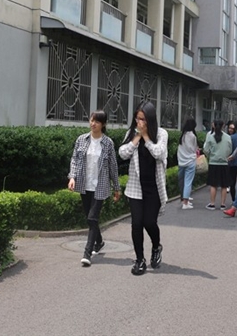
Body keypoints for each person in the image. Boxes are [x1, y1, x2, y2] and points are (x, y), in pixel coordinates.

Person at [119, 101, 168, 276]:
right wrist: (136, 138)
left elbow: (159, 153)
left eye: (143, 119)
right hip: (135, 188)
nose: (139, 122)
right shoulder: (132, 133)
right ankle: (140, 260)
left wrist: (146, 137)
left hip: (153, 188)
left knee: (149, 222)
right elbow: (122, 153)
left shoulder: (161, 134)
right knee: (136, 224)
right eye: (137, 118)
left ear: (150, 119)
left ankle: (156, 247)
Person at [68, 110, 121, 267]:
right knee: (90, 218)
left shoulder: (108, 143)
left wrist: (116, 187)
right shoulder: (81, 140)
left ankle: (87, 253)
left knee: (92, 218)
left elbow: (113, 166)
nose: (93, 124)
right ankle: (99, 242)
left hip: (100, 186)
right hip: (84, 184)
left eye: (97, 121)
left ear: (103, 124)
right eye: (92, 120)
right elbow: (74, 159)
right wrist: (72, 177)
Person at [203, 120, 233, 210]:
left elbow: (205, 149)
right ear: (223, 126)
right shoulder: (228, 137)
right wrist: (225, 155)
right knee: (224, 185)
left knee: (213, 184)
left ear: (214, 125)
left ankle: (212, 204)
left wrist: (210, 155)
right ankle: (223, 204)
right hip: (224, 163)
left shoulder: (210, 137)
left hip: (213, 162)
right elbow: (230, 149)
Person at [177, 118, 198, 210]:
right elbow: (194, 148)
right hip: (190, 161)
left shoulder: (182, 135)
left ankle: (183, 200)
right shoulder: (193, 136)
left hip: (181, 161)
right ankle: (185, 202)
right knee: (188, 182)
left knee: (182, 181)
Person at [227, 120, 237, 205]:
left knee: (232, 182)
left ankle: (234, 200)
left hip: (233, 161)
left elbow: (229, 150)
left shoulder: (232, 137)